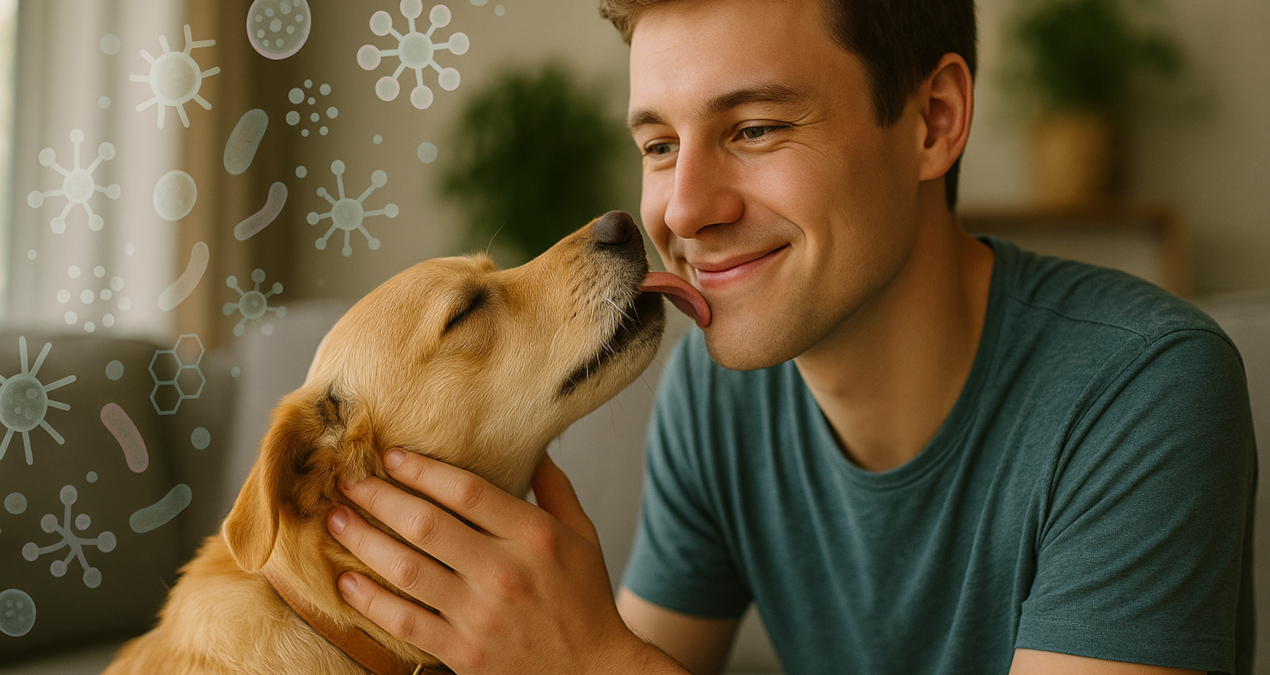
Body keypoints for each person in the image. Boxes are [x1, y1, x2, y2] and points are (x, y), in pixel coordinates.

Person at [324, 0, 1257, 672]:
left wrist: (586, 661)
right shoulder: (720, 392)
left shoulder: (1143, 388)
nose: (681, 209)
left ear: (933, 122)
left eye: (758, 127)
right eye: (658, 145)